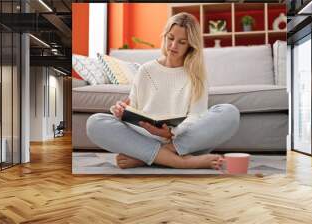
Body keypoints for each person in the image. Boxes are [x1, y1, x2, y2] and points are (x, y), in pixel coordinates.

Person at [87, 12, 240, 169]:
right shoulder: (146, 70)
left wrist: (170, 134)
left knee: (229, 112)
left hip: (180, 140)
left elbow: (196, 116)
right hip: (144, 137)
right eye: (170, 38)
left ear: (190, 46)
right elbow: (135, 110)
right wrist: (122, 112)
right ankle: (181, 162)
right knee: (95, 122)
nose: (173, 46)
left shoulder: (197, 76)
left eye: (182, 42)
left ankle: (148, 157)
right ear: (165, 36)